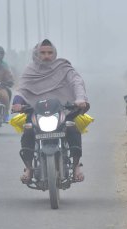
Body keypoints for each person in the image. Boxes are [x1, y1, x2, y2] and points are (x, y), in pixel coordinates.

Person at [11, 39, 89, 183]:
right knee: (28, 131)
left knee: (72, 129)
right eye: (43, 53)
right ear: (37, 54)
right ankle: (28, 168)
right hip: (36, 112)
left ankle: (76, 165)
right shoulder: (30, 70)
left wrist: (80, 98)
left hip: (62, 111)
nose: (46, 56)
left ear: (54, 53)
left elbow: (76, 82)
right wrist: (17, 103)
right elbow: (21, 90)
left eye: (49, 52)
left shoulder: (63, 67)